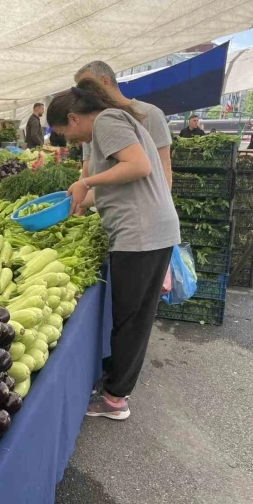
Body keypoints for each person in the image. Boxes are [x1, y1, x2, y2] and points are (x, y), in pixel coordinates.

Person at [47, 81, 180, 421]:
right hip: (147, 232)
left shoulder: (106, 122)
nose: (72, 142)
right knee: (130, 317)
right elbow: (118, 182)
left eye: (67, 134)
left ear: (74, 118)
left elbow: (138, 166)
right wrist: (75, 199)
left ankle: (115, 399)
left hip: (141, 234)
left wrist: (87, 182)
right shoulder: (115, 121)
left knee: (132, 321)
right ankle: (114, 385)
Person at [74, 61, 174, 191]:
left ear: (105, 81)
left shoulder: (149, 114)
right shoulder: (92, 120)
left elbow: (164, 165)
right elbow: (86, 169)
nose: (84, 95)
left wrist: (163, 204)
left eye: (87, 87)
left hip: (142, 205)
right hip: (102, 205)